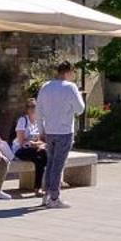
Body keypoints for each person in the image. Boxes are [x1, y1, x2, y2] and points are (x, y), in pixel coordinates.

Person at [34, 61, 86, 209]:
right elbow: (80, 109)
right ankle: (54, 197)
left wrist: (41, 130)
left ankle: (46, 194)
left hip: (49, 130)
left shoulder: (46, 86)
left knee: (50, 163)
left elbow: (39, 111)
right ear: (69, 72)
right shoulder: (71, 87)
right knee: (58, 165)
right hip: (64, 131)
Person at [12, 102, 49, 194]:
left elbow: (44, 139)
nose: (33, 109)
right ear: (27, 109)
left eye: (35, 106)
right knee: (42, 155)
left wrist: (37, 144)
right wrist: (36, 144)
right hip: (20, 150)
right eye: (30, 107)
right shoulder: (23, 120)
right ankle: (42, 186)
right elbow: (21, 142)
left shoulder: (39, 122)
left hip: (35, 150)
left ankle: (39, 187)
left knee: (40, 159)